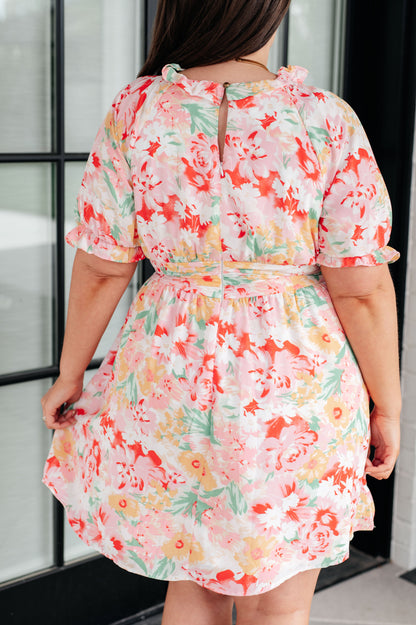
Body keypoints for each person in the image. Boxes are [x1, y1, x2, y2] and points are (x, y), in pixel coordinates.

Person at [41, 1, 401, 623]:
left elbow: (103, 266)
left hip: (171, 375)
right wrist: (387, 406)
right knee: (279, 604)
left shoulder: (137, 111)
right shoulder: (324, 119)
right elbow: (361, 289)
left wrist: (71, 374)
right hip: (296, 384)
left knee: (195, 581)